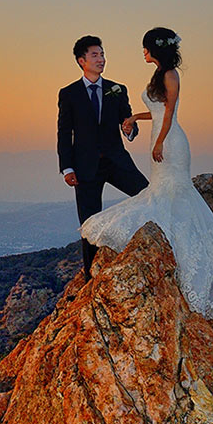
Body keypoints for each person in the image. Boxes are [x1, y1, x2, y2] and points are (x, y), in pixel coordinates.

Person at [79, 27, 213, 368]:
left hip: (171, 143)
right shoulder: (158, 74)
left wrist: (157, 142)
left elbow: (169, 113)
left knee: (171, 195)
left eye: (145, 48)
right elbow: (158, 110)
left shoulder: (170, 75)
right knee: (163, 196)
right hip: (162, 137)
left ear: (155, 49)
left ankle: (183, 249)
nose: (143, 53)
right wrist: (134, 117)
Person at [57, 35, 149, 276]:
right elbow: (64, 133)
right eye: (95, 55)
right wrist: (67, 168)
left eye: (103, 54)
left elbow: (127, 121)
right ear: (81, 61)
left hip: (116, 161)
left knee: (148, 195)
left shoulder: (117, 90)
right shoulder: (69, 93)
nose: (101, 59)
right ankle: (91, 276)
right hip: (84, 166)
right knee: (89, 224)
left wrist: (130, 130)